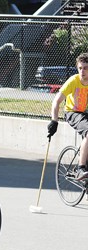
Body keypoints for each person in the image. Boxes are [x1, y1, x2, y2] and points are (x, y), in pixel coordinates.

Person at [48, 52, 88, 180]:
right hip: (72, 113)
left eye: (86, 68)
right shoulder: (73, 81)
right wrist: (54, 121)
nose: (82, 71)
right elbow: (56, 101)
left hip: (84, 113)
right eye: (80, 68)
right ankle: (81, 168)